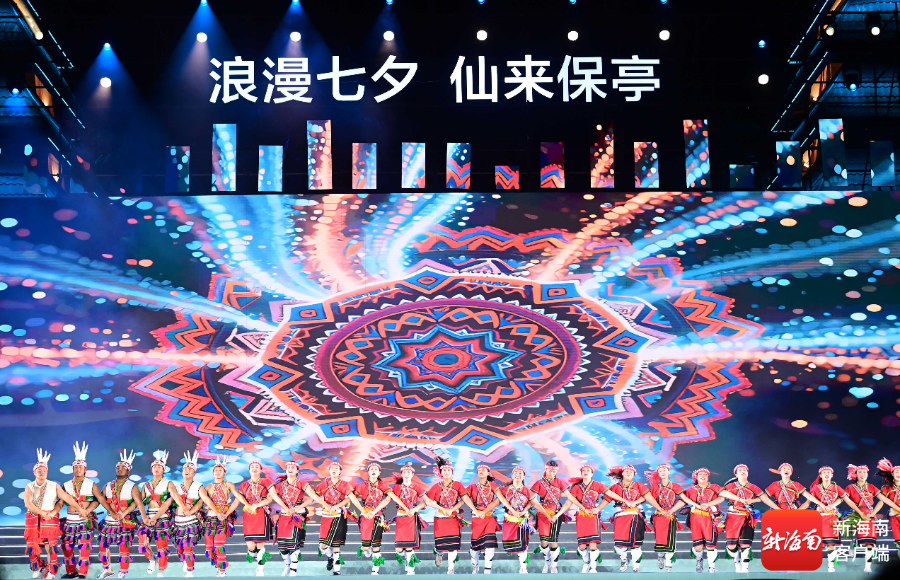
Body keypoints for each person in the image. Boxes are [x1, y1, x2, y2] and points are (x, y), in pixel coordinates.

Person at [24, 449, 88, 580]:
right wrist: (42, 513)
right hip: (33, 519)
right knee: (32, 546)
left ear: (47, 472)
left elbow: (67, 498)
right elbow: (28, 503)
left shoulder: (54, 485)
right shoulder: (29, 486)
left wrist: (79, 508)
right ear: (34, 472)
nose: (42, 472)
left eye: (44, 470)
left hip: (50, 519)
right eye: (39, 470)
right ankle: (38, 567)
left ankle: (51, 571)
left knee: (51, 547)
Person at [61, 443, 115, 580]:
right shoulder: (66, 485)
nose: (78, 469)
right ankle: (71, 571)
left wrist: (88, 510)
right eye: (76, 467)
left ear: (85, 469)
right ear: (73, 469)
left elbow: (100, 500)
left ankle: (83, 572)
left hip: (84, 520)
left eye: (81, 467)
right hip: (70, 520)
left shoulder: (91, 484)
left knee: (84, 547)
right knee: (66, 547)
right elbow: (60, 502)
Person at [565, 464, 629, 573]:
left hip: (593, 516)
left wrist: (624, 500)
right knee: (582, 546)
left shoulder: (597, 485)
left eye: (588, 470)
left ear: (592, 473)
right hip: (581, 516)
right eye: (583, 470)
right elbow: (568, 502)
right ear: (581, 473)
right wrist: (559, 514)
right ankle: (586, 562)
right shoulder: (576, 488)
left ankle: (593, 567)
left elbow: (610, 494)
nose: (586, 472)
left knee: (592, 543)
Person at [350, 463, 408, 575]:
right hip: (365, 516)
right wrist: (362, 511)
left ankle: (375, 570)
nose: (373, 471)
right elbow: (352, 497)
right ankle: (365, 548)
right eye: (371, 469)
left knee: (376, 545)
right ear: (368, 472)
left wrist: (405, 508)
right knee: (366, 547)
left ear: (379, 472)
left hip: (378, 516)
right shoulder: (362, 485)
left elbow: (389, 499)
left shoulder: (383, 485)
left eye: (376, 469)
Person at [719, 464, 778, 573]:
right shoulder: (729, 486)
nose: (743, 471)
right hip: (733, 516)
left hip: (747, 517)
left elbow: (765, 498)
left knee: (745, 544)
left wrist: (778, 509)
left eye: (744, 470)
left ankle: (745, 569)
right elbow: (721, 496)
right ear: (736, 474)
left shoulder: (753, 487)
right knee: (731, 546)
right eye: (740, 470)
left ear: (747, 473)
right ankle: (737, 562)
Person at [606, 465, 665, 573]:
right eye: (626, 471)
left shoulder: (639, 485)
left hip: (637, 515)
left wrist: (660, 509)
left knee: (636, 544)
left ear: (634, 475)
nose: (628, 473)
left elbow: (648, 497)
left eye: (631, 472)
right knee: (619, 545)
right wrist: (597, 509)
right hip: (620, 516)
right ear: (622, 473)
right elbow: (606, 499)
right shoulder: (615, 487)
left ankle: (636, 566)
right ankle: (624, 559)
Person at [97, 450, 145, 579]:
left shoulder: (132, 486)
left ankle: (123, 571)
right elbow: (100, 500)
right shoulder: (108, 485)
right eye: (118, 467)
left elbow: (137, 503)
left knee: (124, 547)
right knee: (102, 546)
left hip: (125, 520)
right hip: (109, 520)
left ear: (128, 472)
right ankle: (107, 569)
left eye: (123, 468)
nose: (120, 469)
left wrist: (125, 513)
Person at [843, 464, 900, 573]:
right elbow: (846, 500)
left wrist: (873, 513)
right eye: (860, 472)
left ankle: (867, 566)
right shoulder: (850, 487)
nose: (862, 474)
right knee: (860, 539)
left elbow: (884, 500)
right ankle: (855, 542)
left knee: (870, 542)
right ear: (855, 474)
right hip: (857, 515)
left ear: (867, 474)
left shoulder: (871, 487)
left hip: (869, 516)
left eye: (865, 472)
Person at [496, 466, 551, 574]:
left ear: (524, 477)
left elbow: (537, 504)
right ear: (512, 475)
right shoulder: (505, 490)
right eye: (515, 473)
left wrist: (548, 516)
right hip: (509, 521)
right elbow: (497, 502)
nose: (517, 475)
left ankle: (523, 567)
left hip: (522, 522)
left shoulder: (526, 490)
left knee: (523, 544)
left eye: (520, 473)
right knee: (511, 544)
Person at [423, 458, 470, 575]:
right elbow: (429, 501)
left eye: (449, 470)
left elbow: (464, 499)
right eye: (444, 470)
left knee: (453, 545)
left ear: (452, 472)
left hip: (453, 517)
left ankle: (450, 568)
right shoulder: (436, 486)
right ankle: (439, 553)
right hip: (440, 517)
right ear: (441, 472)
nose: (447, 472)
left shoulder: (458, 485)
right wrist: (442, 509)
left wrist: (452, 509)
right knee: (440, 545)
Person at [167, 451, 209, 579]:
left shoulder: (198, 486)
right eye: (185, 468)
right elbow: (172, 497)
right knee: (180, 548)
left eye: (190, 469)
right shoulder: (176, 486)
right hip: (177, 522)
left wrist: (192, 510)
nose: (187, 470)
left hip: (191, 521)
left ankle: (190, 571)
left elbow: (203, 500)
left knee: (187, 547)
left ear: (194, 473)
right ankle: (185, 559)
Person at [269, 460, 313, 577]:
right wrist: (285, 507)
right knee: (282, 546)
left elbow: (311, 498)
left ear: (297, 471)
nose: (290, 469)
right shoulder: (280, 485)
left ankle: (293, 570)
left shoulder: (302, 483)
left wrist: (298, 507)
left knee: (294, 544)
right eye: (288, 467)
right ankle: (287, 565)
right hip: (284, 515)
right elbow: (272, 496)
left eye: (293, 467)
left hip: (297, 516)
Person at [678, 468, 725, 573]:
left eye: (705, 474)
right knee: (698, 547)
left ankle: (712, 567)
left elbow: (722, 498)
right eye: (700, 474)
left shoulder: (714, 487)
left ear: (708, 477)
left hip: (710, 517)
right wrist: (670, 510)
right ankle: (699, 560)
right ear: (696, 477)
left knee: (710, 545)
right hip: (696, 518)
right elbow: (683, 501)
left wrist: (708, 504)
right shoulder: (690, 490)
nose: (703, 476)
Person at [312, 461, 355, 575]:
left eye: (336, 468)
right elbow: (314, 495)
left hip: (339, 516)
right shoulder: (324, 484)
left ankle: (337, 570)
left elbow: (349, 498)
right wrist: (325, 505)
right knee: (322, 545)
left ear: (340, 471)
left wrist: (337, 506)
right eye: (332, 468)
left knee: (336, 545)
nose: (334, 470)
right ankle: (330, 556)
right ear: (329, 470)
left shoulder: (345, 484)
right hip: (326, 516)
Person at [235, 460, 275, 576]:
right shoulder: (244, 485)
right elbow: (238, 499)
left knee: (260, 543)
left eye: (257, 466)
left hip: (261, 513)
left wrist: (256, 505)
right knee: (251, 546)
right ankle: (252, 553)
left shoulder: (266, 481)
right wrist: (227, 512)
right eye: (252, 466)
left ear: (261, 470)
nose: (254, 468)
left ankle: (260, 569)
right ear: (249, 470)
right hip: (249, 514)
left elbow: (269, 499)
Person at [138, 451, 175, 578]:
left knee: (161, 546)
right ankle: (152, 559)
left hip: (162, 517)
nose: (156, 468)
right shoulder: (146, 485)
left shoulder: (169, 484)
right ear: (151, 469)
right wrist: (145, 517)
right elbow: (139, 502)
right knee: (142, 543)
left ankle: (161, 571)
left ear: (163, 469)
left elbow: (167, 503)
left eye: (159, 466)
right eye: (154, 466)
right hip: (148, 517)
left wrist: (155, 518)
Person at [202, 456, 240, 576]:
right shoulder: (207, 487)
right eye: (216, 470)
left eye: (220, 470)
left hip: (223, 518)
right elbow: (203, 501)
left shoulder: (228, 485)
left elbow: (238, 499)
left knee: (219, 545)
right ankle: (217, 564)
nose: (218, 472)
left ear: (224, 472)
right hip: (209, 518)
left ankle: (222, 570)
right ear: (213, 472)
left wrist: (226, 514)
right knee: (209, 547)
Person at [803, 466, 845, 572]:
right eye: (824, 472)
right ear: (820, 475)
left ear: (832, 475)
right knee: (817, 542)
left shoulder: (836, 488)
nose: (826, 474)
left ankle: (831, 565)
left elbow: (843, 498)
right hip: (819, 517)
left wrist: (833, 505)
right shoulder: (816, 488)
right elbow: (808, 502)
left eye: (828, 472)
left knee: (831, 543)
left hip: (832, 517)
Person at [530, 461, 568, 574]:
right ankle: (547, 561)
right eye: (550, 471)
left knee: (553, 540)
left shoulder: (560, 482)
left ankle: (554, 565)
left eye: (554, 471)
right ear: (546, 470)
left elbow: (570, 496)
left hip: (556, 514)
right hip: (543, 514)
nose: (552, 473)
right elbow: (532, 498)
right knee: (544, 541)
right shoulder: (539, 483)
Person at [645, 465, 684, 573]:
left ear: (669, 472)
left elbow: (684, 499)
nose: (663, 472)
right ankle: (661, 556)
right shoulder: (655, 487)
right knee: (660, 540)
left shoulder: (675, 486)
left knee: (670, 540)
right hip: (659, 516)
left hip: (670, 516)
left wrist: (672, 510)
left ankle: (668, 564)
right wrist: (660, 509)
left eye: (665, 470)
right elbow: (649, 498)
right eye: (660, 471)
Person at [390, 464, 427, 575]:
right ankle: (407, 558)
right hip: (401, 517)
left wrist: (415, 509)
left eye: (409, 472)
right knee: (399, 549)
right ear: (401, 474)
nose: (406, 474)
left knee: (409, 546)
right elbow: (389, 498)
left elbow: (426, 501)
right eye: (404, 472)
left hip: (412, 517)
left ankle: (411, 569)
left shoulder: (417, 487)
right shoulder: (396, 487)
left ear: (412, 474)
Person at [467, 465, 501, 574]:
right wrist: (475, 510)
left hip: (489, 517)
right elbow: (464, 498)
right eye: (479, 470)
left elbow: (499, 499)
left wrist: (485, 511)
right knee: (475, 546)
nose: (481, 471)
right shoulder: (472, 487)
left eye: (483, 470)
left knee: (490, 543)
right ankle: (475, 566)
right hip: (477, 518)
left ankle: (487, 569)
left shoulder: (494, 486)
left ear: (488, 473)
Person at [874, 458, 900, 556]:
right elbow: (881, 502)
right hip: (895, 516)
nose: (898, 473)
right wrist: (873, 513)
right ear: (892, 474)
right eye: (896, 472)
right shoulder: (887, 488)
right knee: (898, 540)